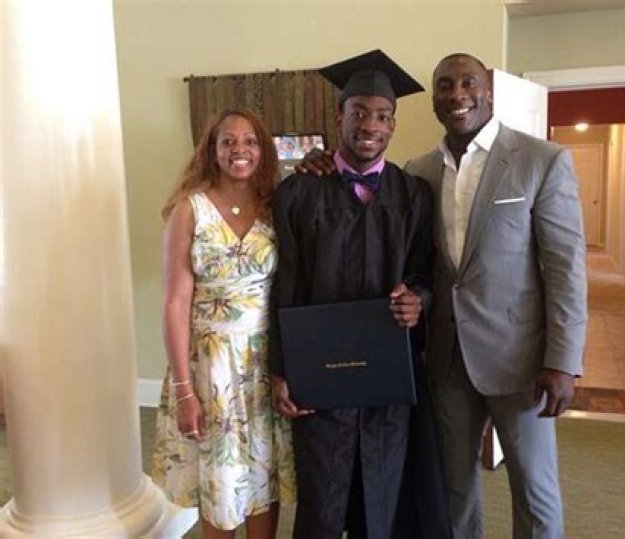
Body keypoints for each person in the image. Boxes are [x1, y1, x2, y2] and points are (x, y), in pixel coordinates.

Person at [297, 53, 587, 539]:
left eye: (469, 83)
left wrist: (564, 360)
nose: (458, 95)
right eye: (446, 86)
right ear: (433, 100)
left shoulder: (541, 160)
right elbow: (419, 266)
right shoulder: (419, 174)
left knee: (534, 492)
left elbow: (565, 268)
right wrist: (319, 163)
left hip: (519, 361)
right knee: (453, 492)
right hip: (447, 362)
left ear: (488, 91)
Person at [269, 49, 450, 539]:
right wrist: (280, 370)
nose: (370, 124)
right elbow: (283, 285)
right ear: (339, 118)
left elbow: (424, 273)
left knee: (383, 491)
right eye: (359, 113)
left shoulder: (413, 194)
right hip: (319, 374)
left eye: (382, 116)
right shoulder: (298, 194)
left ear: (393, 125)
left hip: (386, 373)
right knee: (322, 496)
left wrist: (419, 299)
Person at [152, 109, 295, 539]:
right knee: (220, 480)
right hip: (210, 368)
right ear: (211, 151)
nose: (239, 150)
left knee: (262, 477)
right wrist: (184, 391)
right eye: (227, 141)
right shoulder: (190, 210)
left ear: (262, 150)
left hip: (264, 362)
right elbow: (175, 303)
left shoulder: (275, 206)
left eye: (249, 141)